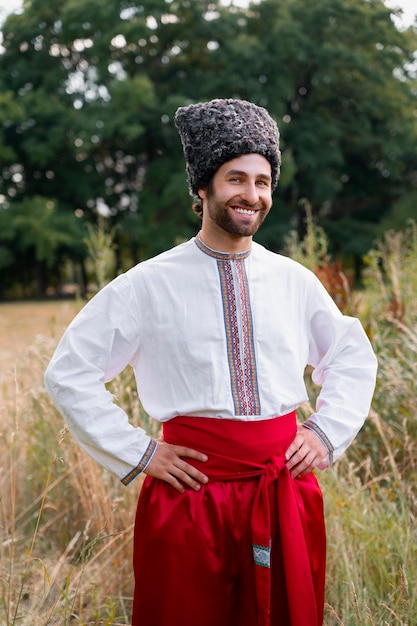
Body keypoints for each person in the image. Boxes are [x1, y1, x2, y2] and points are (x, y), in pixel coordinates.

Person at [44, 98, 378, 626]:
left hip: (281, 493)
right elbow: (69, 372)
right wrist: (140, 453)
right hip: (189, 499)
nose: (252, 195)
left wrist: (323, 432)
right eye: (235, 179)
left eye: (263, 181)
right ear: (202, 189)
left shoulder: (293, 280)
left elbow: (351, 355)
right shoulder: (148, 284)